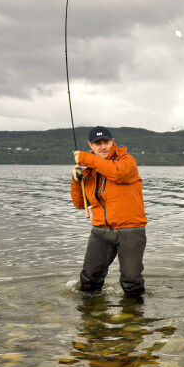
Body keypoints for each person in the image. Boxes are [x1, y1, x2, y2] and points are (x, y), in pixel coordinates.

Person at [71, 126, 147, 298]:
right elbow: (79, 204)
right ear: (90, 145)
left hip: (130, 230)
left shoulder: (127, 161)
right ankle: (92, 318)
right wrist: (76, 181)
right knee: (89, 281)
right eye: (98, 144)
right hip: (100, 232)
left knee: (131, 282)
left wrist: (87, 158)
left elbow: (117, 174)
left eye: (106, 142)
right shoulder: (89, 170)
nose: (103, 146)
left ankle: (134, 318)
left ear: (113, 142)